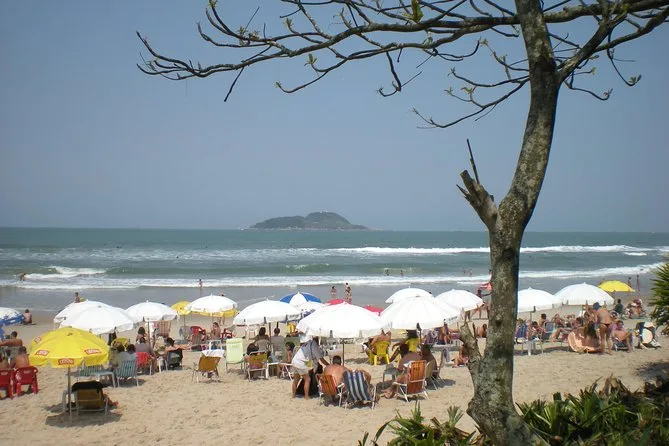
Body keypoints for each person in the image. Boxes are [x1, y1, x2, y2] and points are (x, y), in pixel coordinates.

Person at [291, 336, 329, 400]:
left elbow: (313, 359)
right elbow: (322, 360)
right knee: (307, 379)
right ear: (318, 341)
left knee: (296, 379)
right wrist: (329, 365)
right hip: (300, 362)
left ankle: (293, 395)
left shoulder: (308, 343)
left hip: (294, 360)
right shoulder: (314, 346)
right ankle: (306, 396)